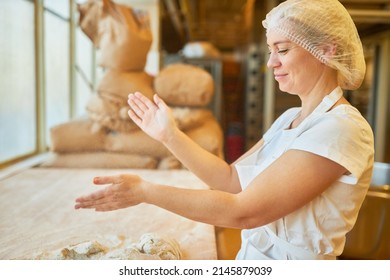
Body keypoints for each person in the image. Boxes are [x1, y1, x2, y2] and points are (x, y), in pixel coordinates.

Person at [75, 0, 374, 260]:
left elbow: (243, 211)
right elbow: (230, 180)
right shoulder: (290, 117)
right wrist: (170, 135)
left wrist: (146, 191)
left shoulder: (341, 129)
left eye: (282, 49)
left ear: (325, 50)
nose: (271, 62)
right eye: (271, 50)